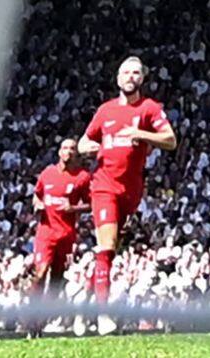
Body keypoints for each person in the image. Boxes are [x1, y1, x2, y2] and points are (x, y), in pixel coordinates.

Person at [76, 55, 176, 326]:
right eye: (126, 73)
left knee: (109, 251)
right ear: (118, 78)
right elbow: (84, 141)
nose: (130, 77)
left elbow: (170, 140)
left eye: (135, 73)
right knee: (106, 246)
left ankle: (83, 305)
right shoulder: (105, 110)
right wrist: (86, 148)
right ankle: (102, 315)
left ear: (142, 78)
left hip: (131, 190)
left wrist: (141, 134)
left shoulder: (149, 108)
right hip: (103, 186)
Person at [28, 138, 90, 324]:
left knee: (56, 277)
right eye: (65, 148)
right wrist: (37, 204)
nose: (68, 151)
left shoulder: (82, 177)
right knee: (40, 272)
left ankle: (43, 319)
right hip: (46, 233)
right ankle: (32, 313)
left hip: (66, 235)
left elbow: (91, 204)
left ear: (76, 153)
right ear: (59, 152)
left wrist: (74, 208)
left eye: (72, 149)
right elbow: (36, 195)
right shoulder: (48, 173)